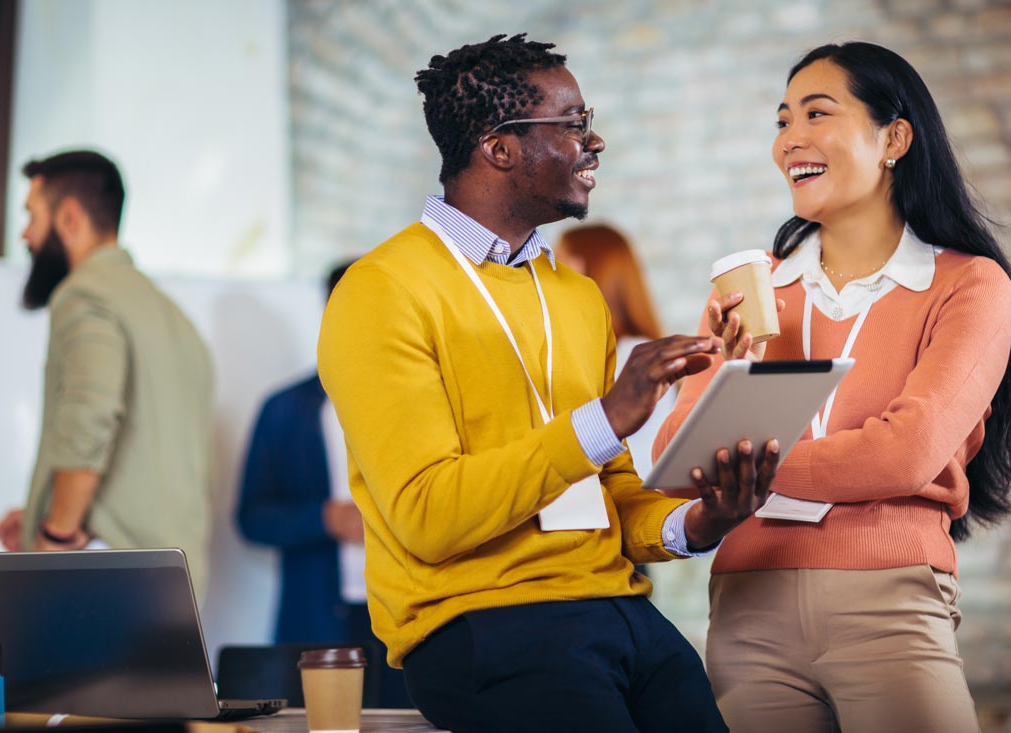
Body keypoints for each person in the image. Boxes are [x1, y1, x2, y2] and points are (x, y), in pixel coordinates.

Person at [317, 34, 779, 733]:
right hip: (479, 619)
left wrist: (703, 519)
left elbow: (614, 497)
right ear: (499, 148)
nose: (595, 143)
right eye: (573, 124)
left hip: (617, 610)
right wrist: (606, 417)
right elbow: (427, 513)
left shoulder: (576, 297)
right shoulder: (381, 290)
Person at [654, 41, 1011, 733]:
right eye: (781, 120)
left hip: (890, 606)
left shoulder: (970, 285)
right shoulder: (750, 288)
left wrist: (745, 457)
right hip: (748, 608)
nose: (789, 141)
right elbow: (679, 457)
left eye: (816, 113)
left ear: (894, 137)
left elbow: (904, 454)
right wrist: (736, 378)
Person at [0, 150, 214, 596]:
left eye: (32, 216)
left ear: (69, 217)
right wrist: (40, 511)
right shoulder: (173, 318)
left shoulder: (84, 295)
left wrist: (55, 536)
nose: (25, 234)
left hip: (106, 578)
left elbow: (91, 414)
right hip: (171, 582)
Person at [236, 259, 411, 708]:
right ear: (330, 312)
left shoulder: (421, 404)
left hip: (406, 618)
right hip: (315, 620)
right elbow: (251, 517)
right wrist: (324, 518)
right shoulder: (285, 408)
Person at [556, 224, 674, 479]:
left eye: (557, 261)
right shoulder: (638, 350)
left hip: (633, 497)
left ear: (579, 268)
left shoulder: (629, 354)